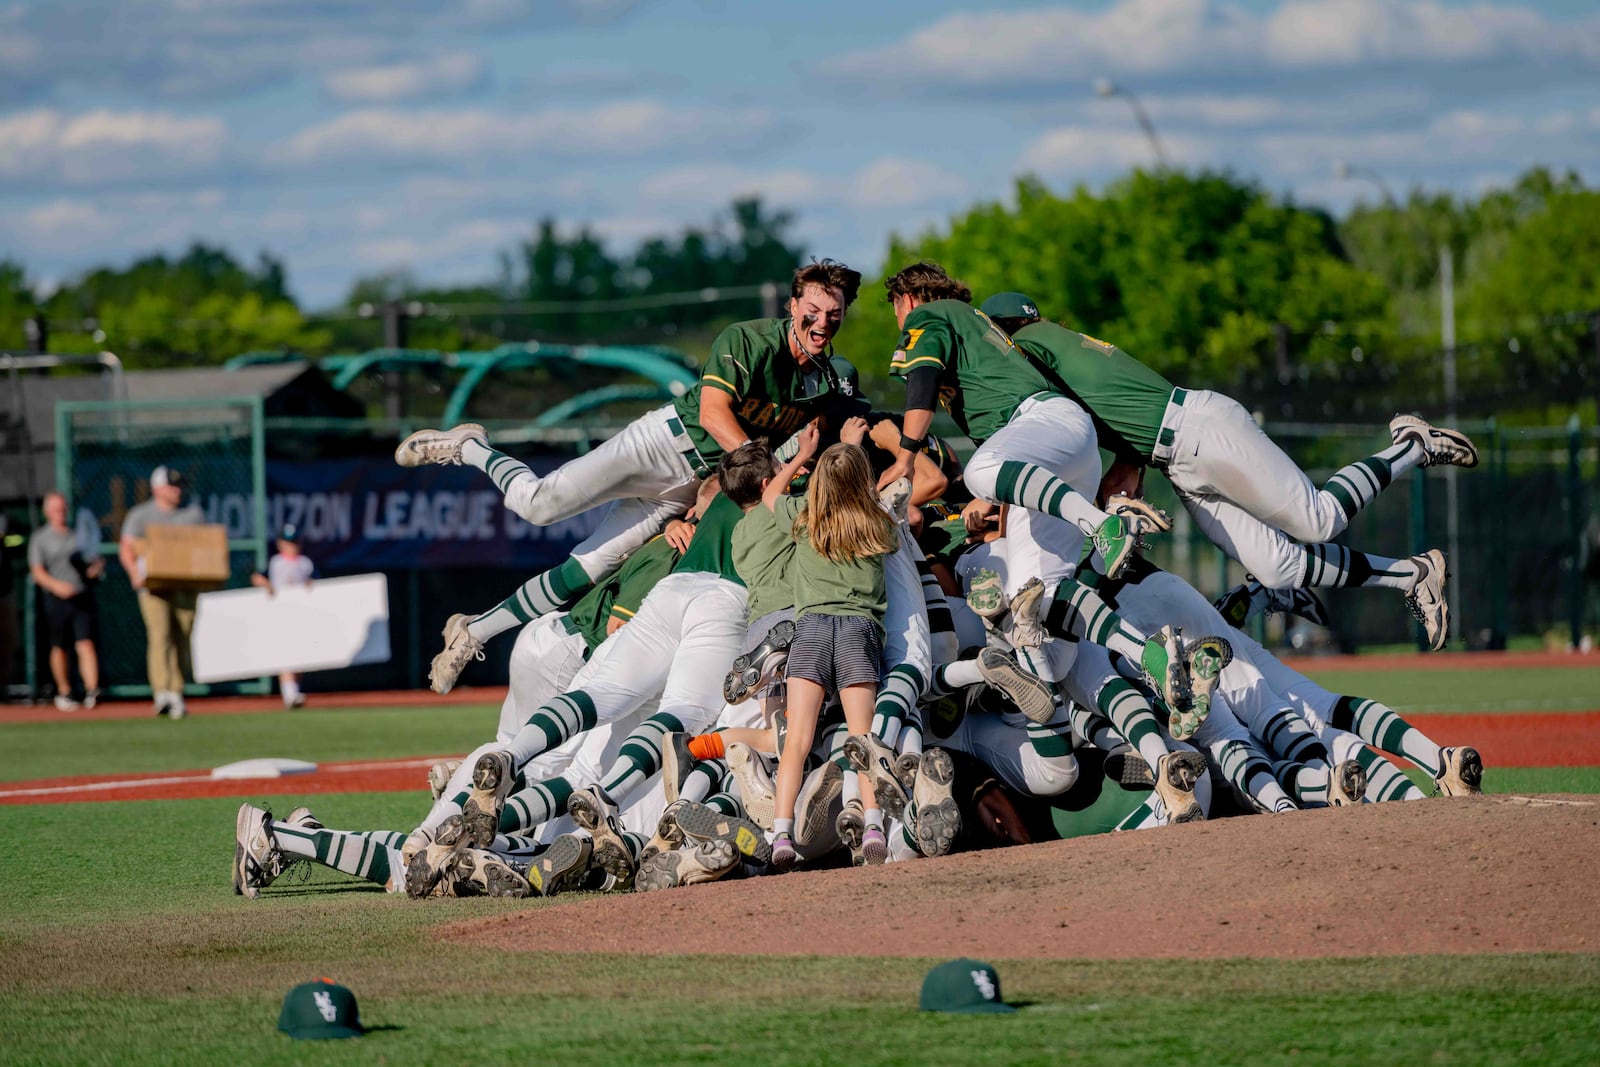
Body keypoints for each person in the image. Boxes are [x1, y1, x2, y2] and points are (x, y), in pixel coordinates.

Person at [394, 260, 867, 695]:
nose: (822, 322)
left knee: (587, 569)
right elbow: (712, 411)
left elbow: (834, 428)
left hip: (696, 482)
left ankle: (473, 630)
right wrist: (755, 467)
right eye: (813, 310)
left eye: (834, 313)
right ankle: (470, 446)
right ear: (792, 306)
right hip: (664, 444)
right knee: (538, 504)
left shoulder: (827, 378)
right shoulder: (750, 339)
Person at [978, 291, 1478, 650]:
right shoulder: (1058, 346)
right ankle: (1415, 574)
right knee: (1281, 567)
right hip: (1177, 457)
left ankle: (1413, 444)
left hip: (1198, 431)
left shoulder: (1033, 347)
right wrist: (1128, 467)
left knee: (1318, 518)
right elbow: (1110, 413)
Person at [762, 431, 903, 869]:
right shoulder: (878, 523)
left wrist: (802, 454)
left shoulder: (803, 518)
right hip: (859, 632)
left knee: (797, 742)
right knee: (864, 739)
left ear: (818, 481)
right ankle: (875, 825)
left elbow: (769, 493)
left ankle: (781, 835)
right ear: (864, 480)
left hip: (812, 632)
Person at [118, 465, 204, 719]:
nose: (177, 490)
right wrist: (134, 573)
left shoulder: (192, 513)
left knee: (183, 636)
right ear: (157, 488)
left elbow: (205, 548)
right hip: (153, 587)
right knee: (160, 635)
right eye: (171, 485)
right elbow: (127, 548)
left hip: (185, 586)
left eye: (179, 485)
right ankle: (162, 692)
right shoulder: (141, 516)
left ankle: (177, 690)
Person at [28, 491, 102, 711]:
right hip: (56, 600)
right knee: (59, 646)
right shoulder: (40, 538)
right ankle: (64, 691)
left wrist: (94, 569)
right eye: (54, 508)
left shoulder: (78, 535)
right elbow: (38, 572)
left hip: (81, 598)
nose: (59, 512)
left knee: (85, 643)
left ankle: (92, 690)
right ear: (47, 511)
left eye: (62, 508)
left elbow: (92, 563)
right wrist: (57, 586)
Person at [251, 524, 315, 708]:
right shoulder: (275, 562)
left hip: (301, 615)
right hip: (280, 615)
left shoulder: (305, 563)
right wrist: (266, 585)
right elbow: (257, 577)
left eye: (294, 542)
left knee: (300, 655)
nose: (291, 546)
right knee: (286, 653)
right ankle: (289, 693)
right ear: (280, 543)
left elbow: (314, 582)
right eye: (287, 542)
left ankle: (294, 689)